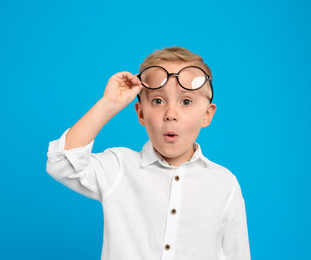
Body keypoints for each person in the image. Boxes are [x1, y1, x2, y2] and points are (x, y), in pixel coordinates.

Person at [46, 46, 251, 259]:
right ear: (141, 113)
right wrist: (109, 103)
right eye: (158, 101)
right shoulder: (119, 167)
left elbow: (236, 254)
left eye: (186, 101)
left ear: (207, 115)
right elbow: (61, 163)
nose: (170, 114)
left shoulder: (224, 183)